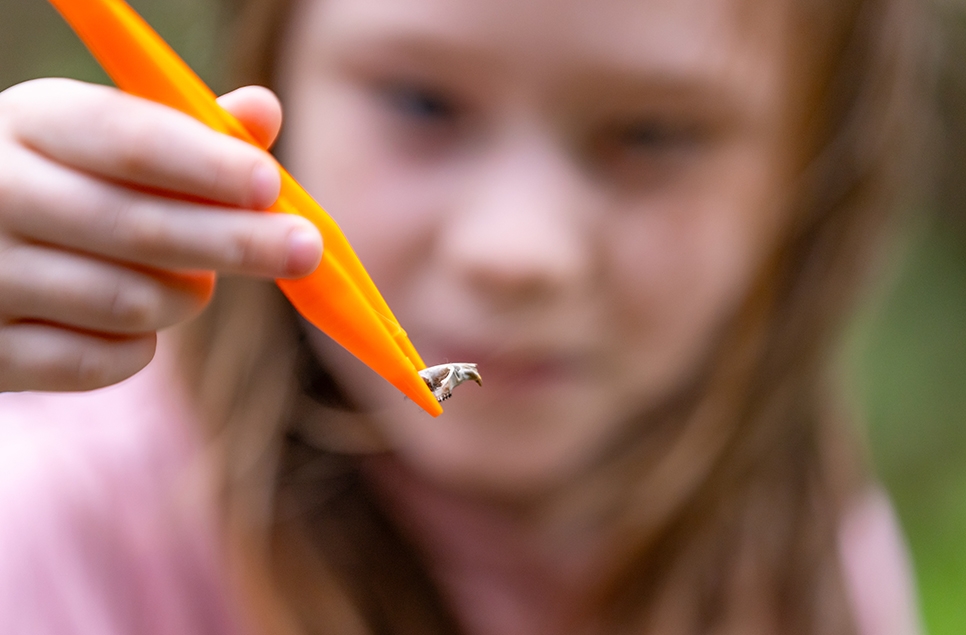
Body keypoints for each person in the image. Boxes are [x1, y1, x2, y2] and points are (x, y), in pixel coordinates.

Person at [0, 0, 930, 632]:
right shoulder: (55, 514)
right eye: (422, 102)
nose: (513, 251)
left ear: (814, 176)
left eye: (653, 134)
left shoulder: (814, 550)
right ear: (273, 61)